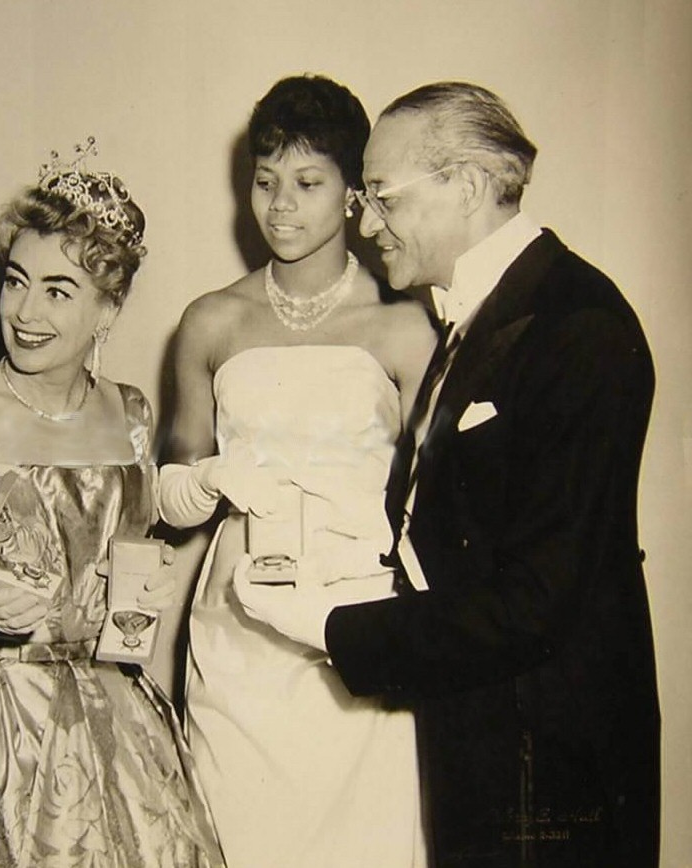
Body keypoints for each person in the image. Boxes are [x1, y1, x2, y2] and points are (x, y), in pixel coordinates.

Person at [235, 82, 661, 867]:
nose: (365, 223)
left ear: (464, 186)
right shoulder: (465, 316)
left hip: (545, 766)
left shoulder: (580, 326)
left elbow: (535, 605)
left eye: (383, 198)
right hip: (473, 742)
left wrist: (333, 630)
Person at [0, 145, 223, 868]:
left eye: (57, 290)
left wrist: (141, 582)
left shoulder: (133, 415)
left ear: (108, 308)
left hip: (120, 720)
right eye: (17, 283)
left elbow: (126, 567)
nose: (25, 312)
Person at [158, 75, 437, 868]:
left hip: (354, 637)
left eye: (308, 184)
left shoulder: (403, 324)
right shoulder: (210, 322)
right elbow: (178, 506)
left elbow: (429, 509)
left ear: (353, 194)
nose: (280, 205)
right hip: (236, 638)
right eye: (264, 181)